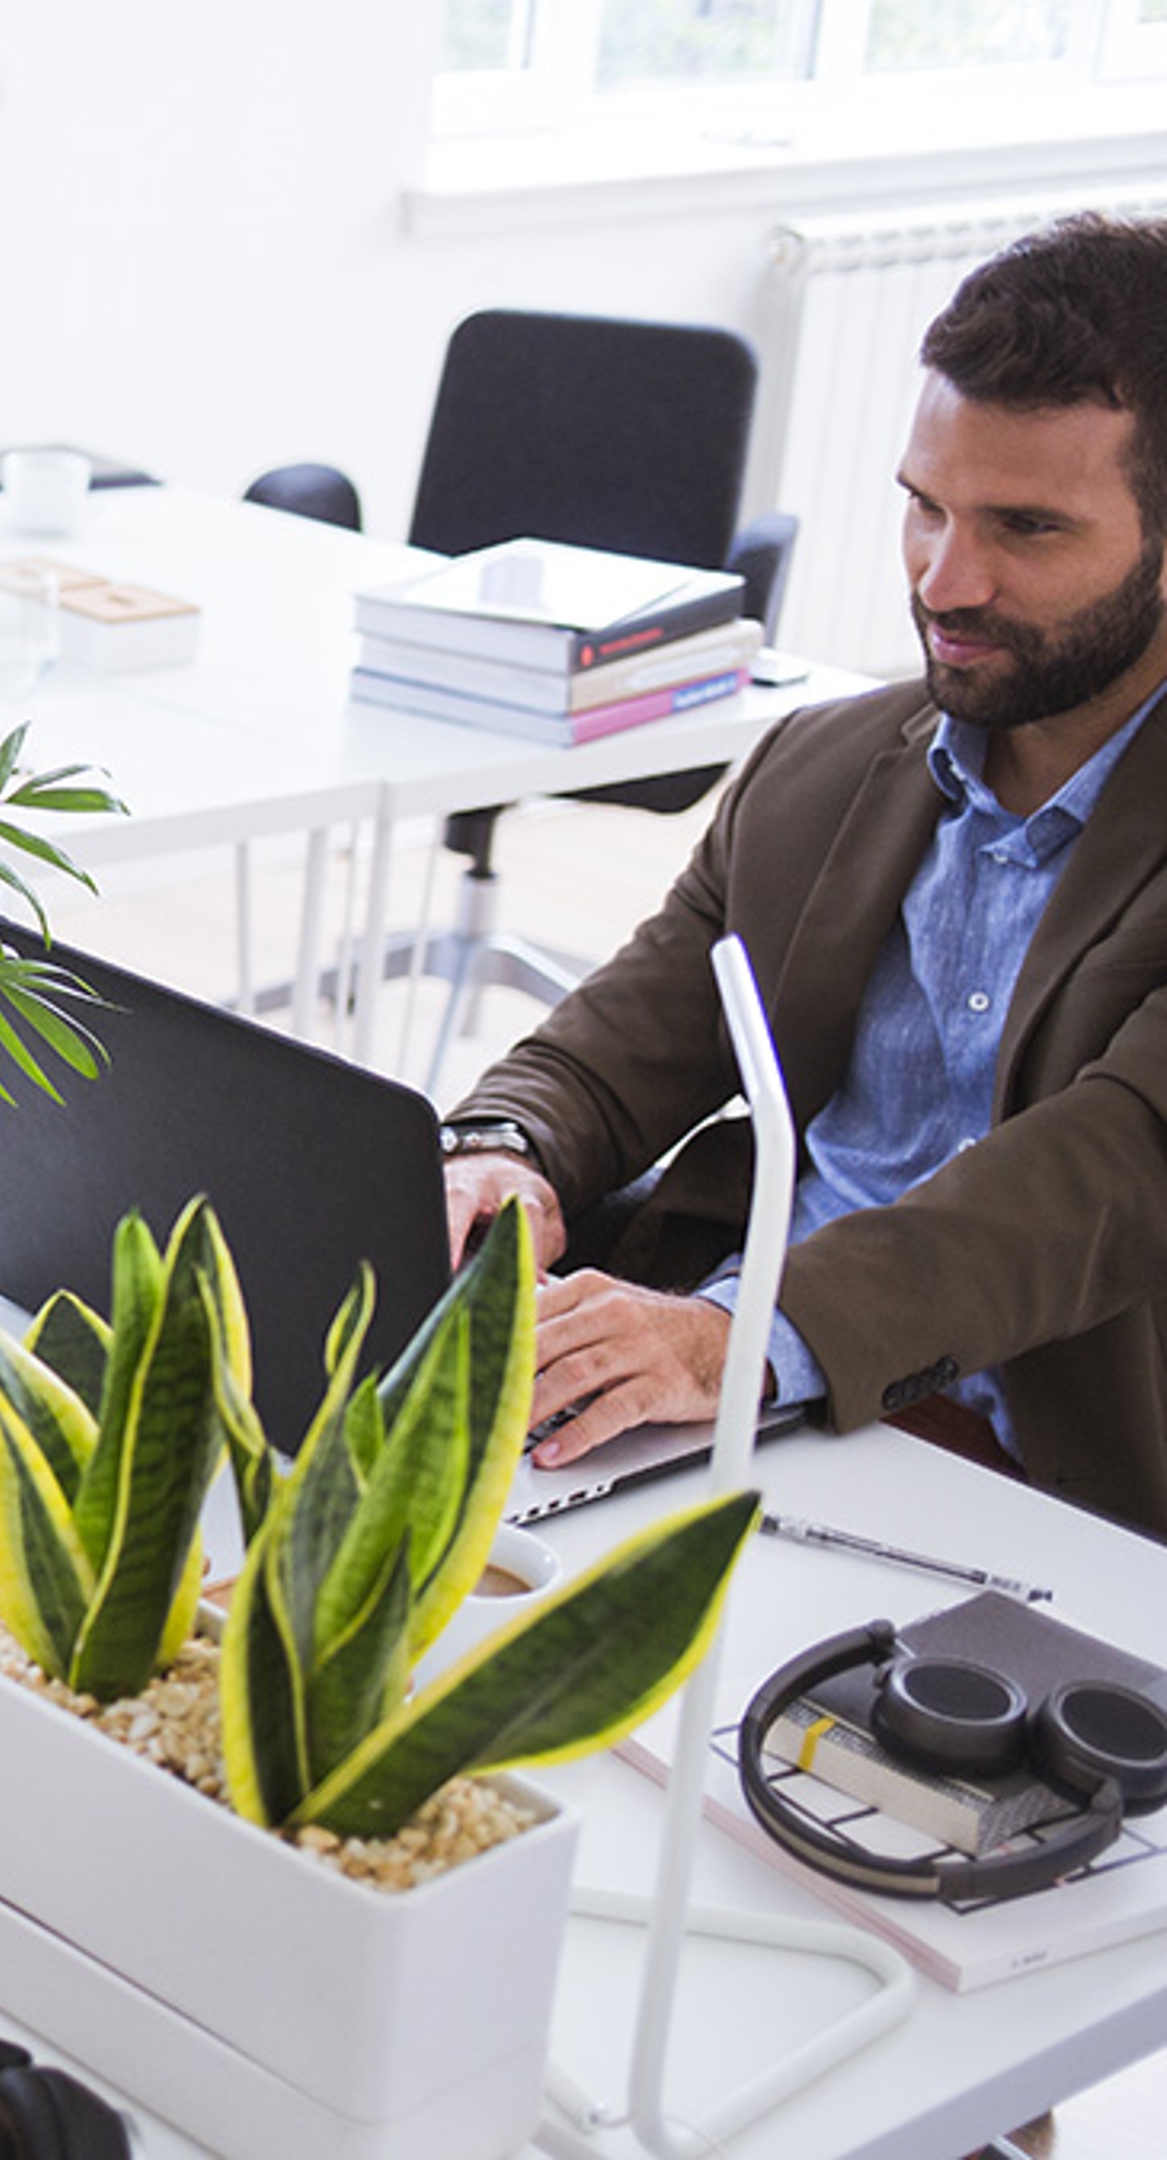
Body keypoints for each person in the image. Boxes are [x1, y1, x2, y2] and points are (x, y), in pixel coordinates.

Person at [439, 212, 1167, 1541]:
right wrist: (505, 1150)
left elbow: (1099, 1182)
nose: (947, 581)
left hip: (1046, 1486)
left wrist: (739, 1338)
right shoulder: (824, 763)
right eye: (923, 507)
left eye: (1028, 529)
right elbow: (622, 1043)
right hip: (734, 1409)